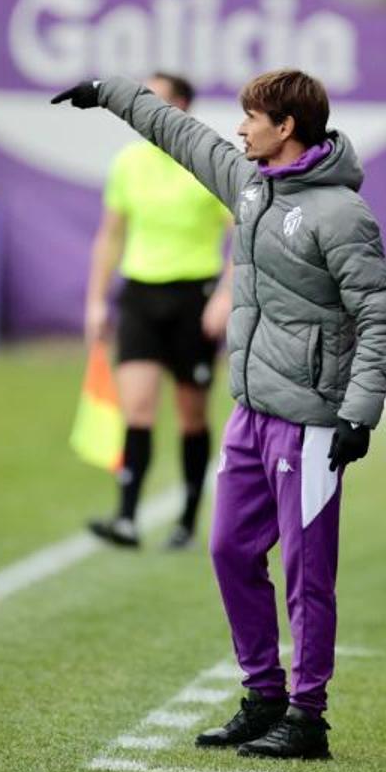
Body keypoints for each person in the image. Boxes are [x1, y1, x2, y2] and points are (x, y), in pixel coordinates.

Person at [52, 69, 386, 760]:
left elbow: (379, 317)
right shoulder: (249, 185)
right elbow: (178, 133)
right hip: (249, 414)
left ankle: (307, 718)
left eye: (251, 117)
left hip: (311, 423)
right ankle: (263, 696)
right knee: (228, 550)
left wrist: (358, 413)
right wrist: (110, 92)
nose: (239, 128)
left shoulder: (340, 214)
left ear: (286, 128)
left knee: (308, 574)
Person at [83, 72, 233, 551]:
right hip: (141, 296)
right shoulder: (128, 163)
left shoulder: (208, 162)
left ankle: (188, 519)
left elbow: (249, 232)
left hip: (195, 297)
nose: (139, 107)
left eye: (153, 99)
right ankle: (126, 517)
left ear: (181, 107)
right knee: (139, 409)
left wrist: (226, 295)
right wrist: (95, 301)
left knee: (191, 415)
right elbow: (110, 234)